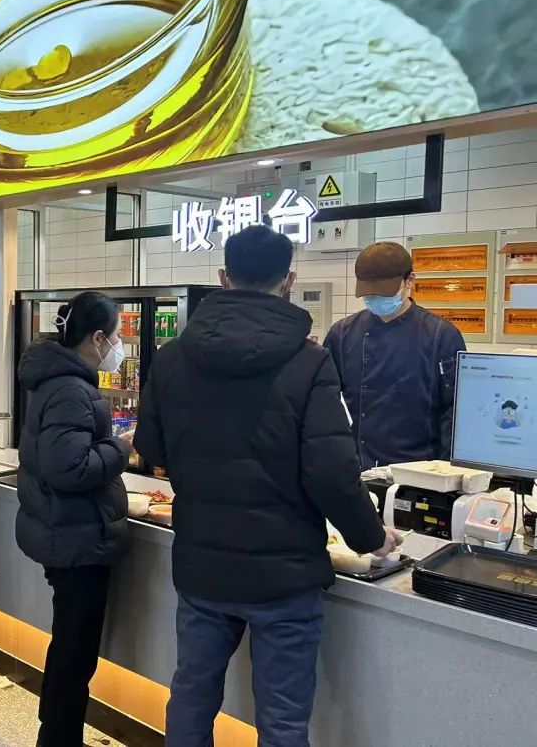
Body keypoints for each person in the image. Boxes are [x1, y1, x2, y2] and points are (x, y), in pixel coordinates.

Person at [134, 225, 402, 747]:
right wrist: (372, 537)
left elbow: (152, 448)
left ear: (223, 277)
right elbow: (331, 472)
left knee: (191, 696)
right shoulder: (309, 361)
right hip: (285, 576)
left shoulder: (172, 357)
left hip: (203, 566)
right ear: (289, 280)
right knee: (281, 722)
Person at [16, 291, 132, 746]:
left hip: (66, 530)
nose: (118, 346)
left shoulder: (58, 380)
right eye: (116, 337)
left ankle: (57, 734)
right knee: (74, 651)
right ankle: (59, 738)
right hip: (76, 537)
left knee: (69, 644)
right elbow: (69, 468)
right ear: (97, 338)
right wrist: (119, 448)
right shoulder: (71, 389)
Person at [324, 241, 466, 468]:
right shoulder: (342, 333)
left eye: (383, 292)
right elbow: (325, 401)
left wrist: (444, 471)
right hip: (356, 467)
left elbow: (455, 411)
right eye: (369, 293)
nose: (375, 298)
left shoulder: (441, 336)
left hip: (421, 470)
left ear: (410, 280)